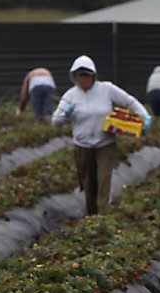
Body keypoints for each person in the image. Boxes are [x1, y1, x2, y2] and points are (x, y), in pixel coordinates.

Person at [52, 55, 150, 216]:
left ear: (93, 75)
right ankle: (92, 217)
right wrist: (65, 113)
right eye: (80, 75)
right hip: (82, 147)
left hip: (105, 145)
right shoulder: (70, 96)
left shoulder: (106, 89)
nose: (84, 79)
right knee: (89, 184)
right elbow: (56, 121)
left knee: (103, 180)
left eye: (87, 75)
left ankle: (103, 215)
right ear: (74, 77)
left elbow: (129, 102)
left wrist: (144, 117)